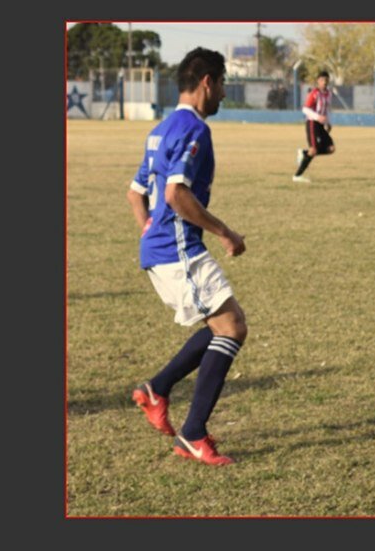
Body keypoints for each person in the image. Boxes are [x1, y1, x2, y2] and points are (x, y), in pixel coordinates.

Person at [126, 47, 248, 466]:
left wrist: (147, 227)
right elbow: (177, 194)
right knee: (232, 327)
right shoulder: (195, 129)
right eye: (223, 85)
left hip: (160, 248)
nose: (224, 96)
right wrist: (225, 233)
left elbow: (135, 192)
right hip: (178, 250)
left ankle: (157, 388)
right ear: (207, 82)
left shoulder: (160, 128)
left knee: (220, 323)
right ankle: (192, 434)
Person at [293, 70, 335, 183]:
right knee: (314, 150)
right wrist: (317, 117)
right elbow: (305, 109)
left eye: (326, 80)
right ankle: (297, 176)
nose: (324, 82)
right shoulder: (314, 93)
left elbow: (328, 110)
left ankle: (304, 153)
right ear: (318, 81)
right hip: (312, 123)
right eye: (322, 80)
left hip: (321, 124)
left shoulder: (329, 94)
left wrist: (328, 122)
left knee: (331, 149)